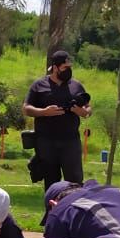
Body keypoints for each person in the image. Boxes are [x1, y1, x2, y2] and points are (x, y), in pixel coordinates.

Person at [22, 50, 91, 195]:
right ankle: (52, 213)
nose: (69, 70)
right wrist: (44, 112)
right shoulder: (39, 85)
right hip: (46, 142)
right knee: (51, 182)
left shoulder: (76, 86)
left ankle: (75, 212)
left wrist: (83, 112)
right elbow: (26, 108)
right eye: (65, 67)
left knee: (75, 182)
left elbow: (88, 107)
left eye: (70, 67)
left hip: (70, 142)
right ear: (55, 67)